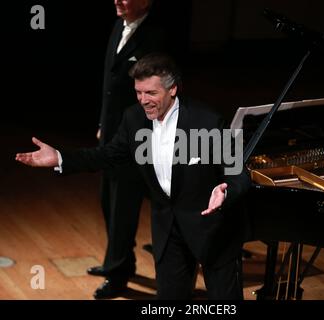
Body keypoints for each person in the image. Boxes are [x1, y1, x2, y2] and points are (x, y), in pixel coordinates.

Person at [16, 53, 252, 299]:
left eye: (151, 93)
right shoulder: (134, 119)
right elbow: (107, 155)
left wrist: (226, 190)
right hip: (169, 230)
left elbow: (239, 174)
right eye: (139, 92)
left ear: (173, 89)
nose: (143, 100)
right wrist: (61, 157)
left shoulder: (208, 121)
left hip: (213, 230)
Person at [89, 0, 167, 299]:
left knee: (123, 207)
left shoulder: (157, 37)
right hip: (111, 132)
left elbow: (156, 94)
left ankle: (118, 275)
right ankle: (119, 261)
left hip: (135, 138)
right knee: (108, 201)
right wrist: (102, 124)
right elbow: (110, 85)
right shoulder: (119, 25)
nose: (118, 0)